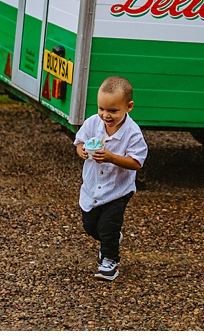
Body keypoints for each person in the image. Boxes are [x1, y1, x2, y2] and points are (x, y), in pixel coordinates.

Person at [74, 76, 149, 282]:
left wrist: (111, 157)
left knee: (108, 226)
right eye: (101, 109)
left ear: (129, 107)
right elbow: (79, 142)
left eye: (113, 111)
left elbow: (137, 162)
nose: (106, 115)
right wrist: (82, 151)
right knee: (90, 227)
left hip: (118, 190)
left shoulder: (132, 133)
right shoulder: (93, 122)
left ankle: (110, 261)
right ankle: (112, 240)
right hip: (91, 188)